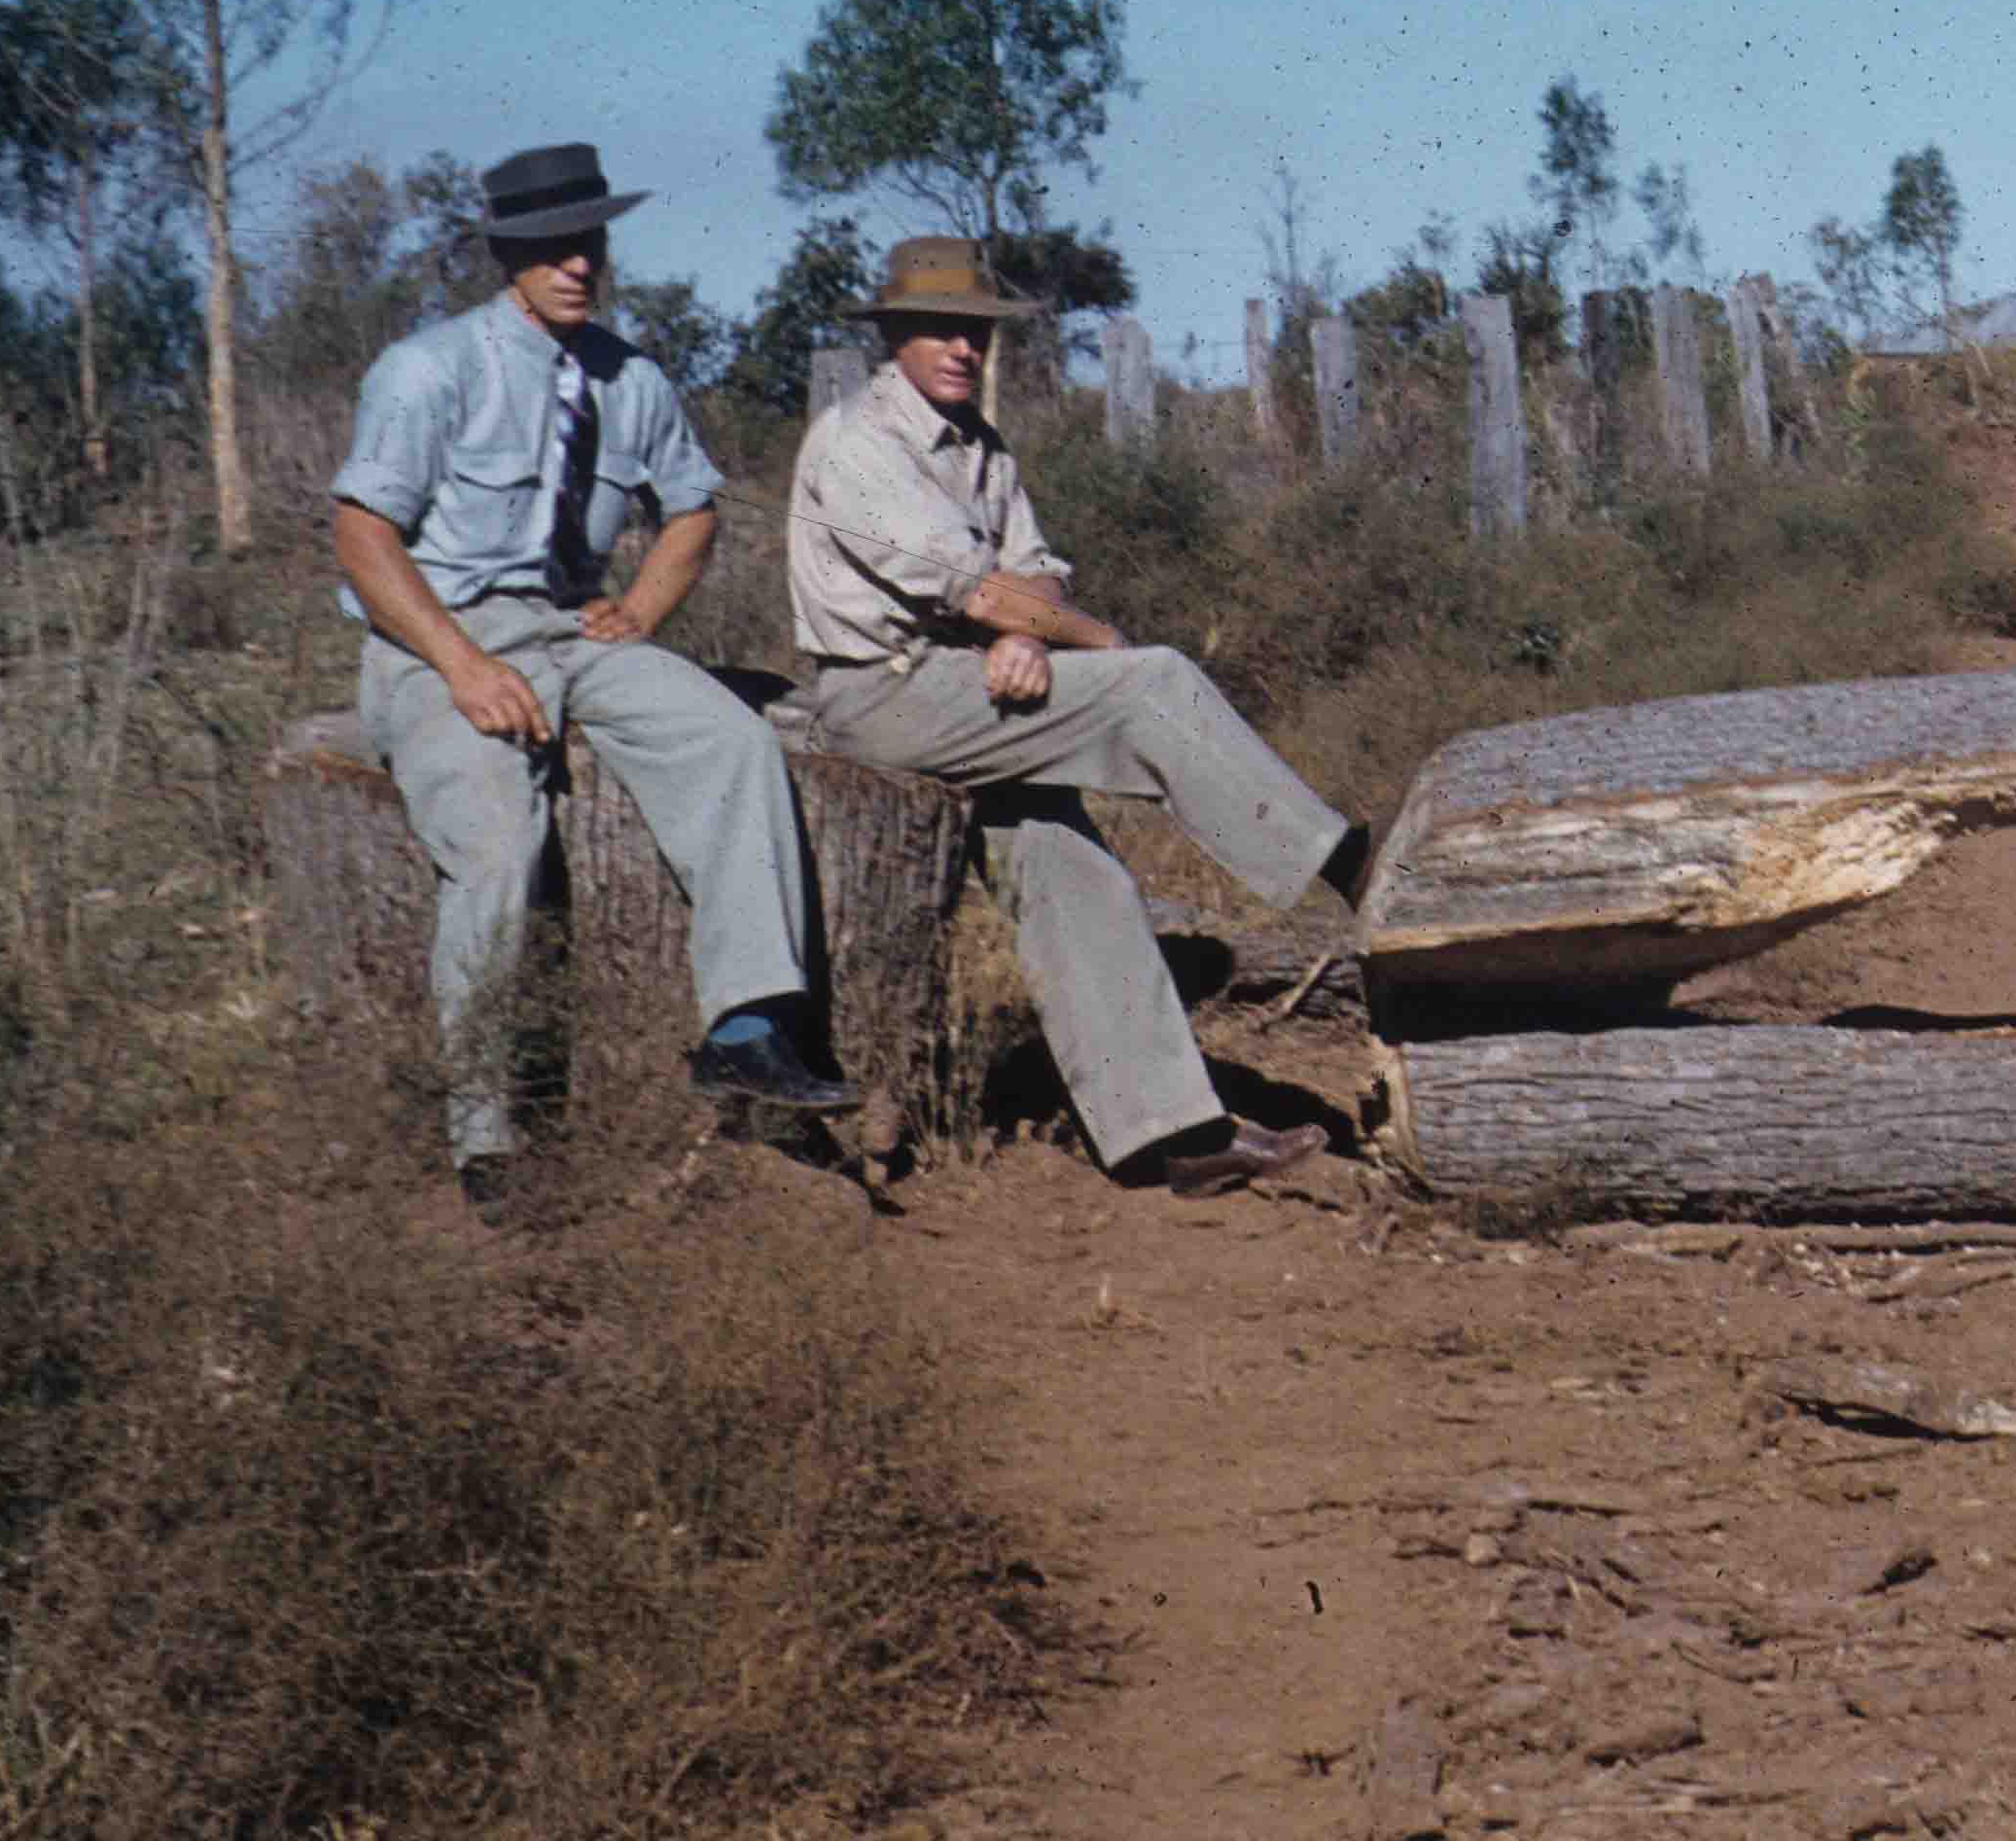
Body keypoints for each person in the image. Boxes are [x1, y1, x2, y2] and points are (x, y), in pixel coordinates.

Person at [787, 237, 1366, 1196]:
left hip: (965, 684)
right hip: (882, 694)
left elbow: (1033, 572)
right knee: (1152, 679)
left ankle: (1164, 1137)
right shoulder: (857, 441)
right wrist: (1079, 634)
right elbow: (983, 590)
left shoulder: (980, 445)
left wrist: (1031, 632)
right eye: (937, 328)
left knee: (1073, 870)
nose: (960, 347)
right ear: (892, 337)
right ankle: (1337, 862)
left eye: (973, 330)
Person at [330, 140, 853, 1199]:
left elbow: (693, 506)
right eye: (550, 247)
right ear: (506, 255)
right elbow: (362, 536)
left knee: (735, 739)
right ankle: (489, 1135)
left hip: (576, 631)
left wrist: (644, 604)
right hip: (441, 636)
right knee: (495, 835)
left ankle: (748, 1029)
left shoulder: (632, 377)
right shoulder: (429, 369)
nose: (577, 265)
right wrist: (463, 665)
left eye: (590, 243)